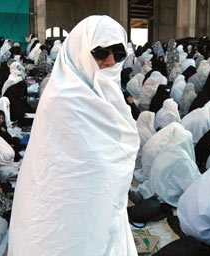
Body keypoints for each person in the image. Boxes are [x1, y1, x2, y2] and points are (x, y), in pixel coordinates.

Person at [8, 15, 139, 256]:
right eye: (101, 53)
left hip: (103, 211)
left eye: (118, 54)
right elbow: (66, 173)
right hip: (64, 216)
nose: (110, 62)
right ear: (81, 50)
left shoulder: (111, 97)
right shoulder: (62, 100)